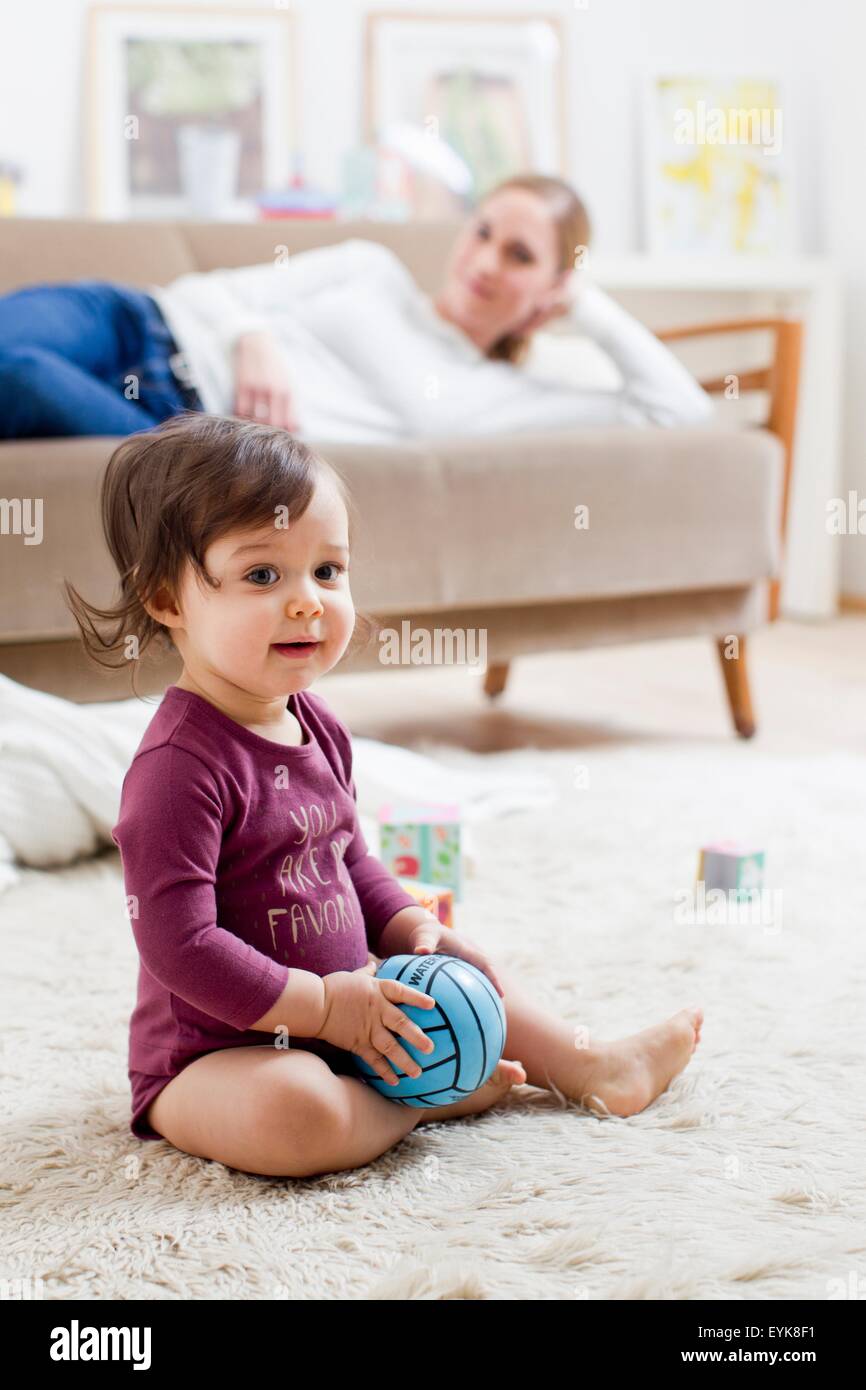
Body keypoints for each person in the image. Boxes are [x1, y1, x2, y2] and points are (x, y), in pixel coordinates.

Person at [64, 411, 703, 1178]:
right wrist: (326, 1009)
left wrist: (406, 928)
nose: (308, 601)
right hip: (218, 1057)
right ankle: (420, 1103)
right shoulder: (177, 768)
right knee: (297, 1118)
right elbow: (181, 946)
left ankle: (593, 1063)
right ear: (167, 599)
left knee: (469, 985)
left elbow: (348, 860)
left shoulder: (318, 727)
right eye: (263, 575)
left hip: (352, 1011)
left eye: (327, 571)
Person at [0, 173, 714, 442]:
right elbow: (205, 293)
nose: (486, 262)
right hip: (136, 321)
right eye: (484, 232)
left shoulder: (499, 398)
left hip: (173, 428)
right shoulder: (371, 271)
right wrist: (253, 337)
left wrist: (589, 307)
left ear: (555, 284)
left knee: (19, 376)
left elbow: (678, 411)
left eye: (521, 257)